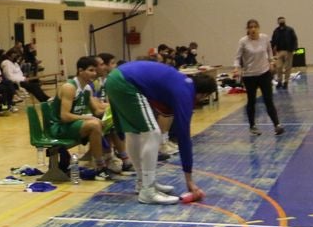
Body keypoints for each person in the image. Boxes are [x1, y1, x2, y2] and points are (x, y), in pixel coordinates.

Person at [103, 59, 218, 205]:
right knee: (152, 133)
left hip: (116, 78)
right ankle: (148, 191)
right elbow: (184, 137)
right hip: (126, 82)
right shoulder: (185, 92)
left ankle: (143, 182)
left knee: (134, 133)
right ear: (203, 94)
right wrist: (189, 180)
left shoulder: (181, 81)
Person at [43, 57, 118, 180]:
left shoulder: (87, 88)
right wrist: (88, 119)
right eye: (90, 70)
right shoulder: (69, 87)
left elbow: (97, 111)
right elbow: (65, 116)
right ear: (80, 70)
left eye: (95, 70)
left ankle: (113, 157)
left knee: (109, 122)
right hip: (58, 127)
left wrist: (114, 109)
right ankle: (100, 167)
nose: (94, 73)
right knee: (94, 124)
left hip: (71, 125)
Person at [234, 19, 284, 136]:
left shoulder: (265, 38)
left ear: (258, 28)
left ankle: (277, 125)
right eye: (250, 27)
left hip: (264, 73)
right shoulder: (243, 41)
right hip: (249, 76)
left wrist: (272, 62)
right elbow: (237, 57)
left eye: (255, 27)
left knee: (268, 100)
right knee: (251, 101)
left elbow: (269, 52)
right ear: (247, 29)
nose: (253, 29)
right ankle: (252, 126)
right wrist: (236, 68)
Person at [270, 16, 299, 90]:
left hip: (288, 51)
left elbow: (294, 39)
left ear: (285, 21)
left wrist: (294, 49)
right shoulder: (276, 31)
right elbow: (273, 40)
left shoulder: (290, 30)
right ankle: (279, 82)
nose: (281, 22)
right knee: (278, 67)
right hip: (279, 51)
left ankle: (286, 82)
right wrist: (272, 49)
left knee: (288, 68)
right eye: (280, 21)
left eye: (282, 20)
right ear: (278, 22)